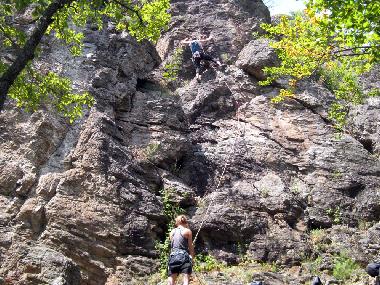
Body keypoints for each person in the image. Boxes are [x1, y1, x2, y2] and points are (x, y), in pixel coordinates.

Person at [167, 215, 195, 285]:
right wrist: (191, 257)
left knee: (171, 280)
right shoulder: (187, 231)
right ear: (185, 222)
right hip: (184, 257)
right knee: (185, 280)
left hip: (173, 256)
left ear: (177, 222)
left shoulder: (172, 232)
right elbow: (190, 246)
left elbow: (173, 244)